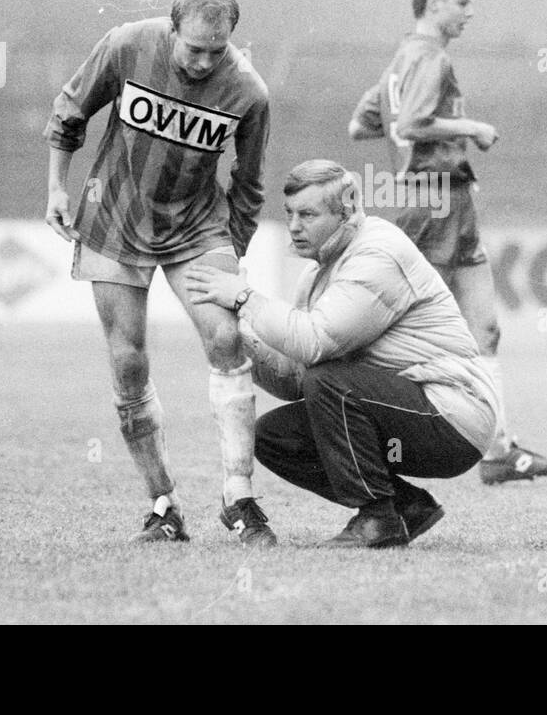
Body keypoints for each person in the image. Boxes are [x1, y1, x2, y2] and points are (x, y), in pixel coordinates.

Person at [44, 0, 276, 547]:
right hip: (114, 220)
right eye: (192, 47)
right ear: (171, 29)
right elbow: (72, 108)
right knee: (128, 362)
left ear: (231, 41)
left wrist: (234, 251)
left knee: (226, 337)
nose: (202, 62)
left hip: (197, 227)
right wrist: (56, 187)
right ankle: (163, 504)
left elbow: (248, 184)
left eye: (215, 51)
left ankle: (239, 495)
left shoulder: (249, 92)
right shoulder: (127, 44)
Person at [184, 160, 501, 548]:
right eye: (289, 214)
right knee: (274, 436)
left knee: (331, 382)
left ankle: (376, 517)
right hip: (411, 412)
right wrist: (236, 333)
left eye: (308, 214)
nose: (295, 226)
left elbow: (313, 342)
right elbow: (295, 380)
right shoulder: (318, 272)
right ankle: (406, 508)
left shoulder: (377, 254)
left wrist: (246, 298)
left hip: (454, 417)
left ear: (346, 210)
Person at [347, 0, 547, 486]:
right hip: (430, 202)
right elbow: (415, 122)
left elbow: (361, 124)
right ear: (434, 2)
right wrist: (472, 127)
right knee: (402, 336)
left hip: (451, 201)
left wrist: (408, 132)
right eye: (463, 3)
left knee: (485, 329)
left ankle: (499, 452)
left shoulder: (404, 59)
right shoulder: (429, 59)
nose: (470, 13)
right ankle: (361, 437)